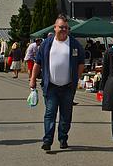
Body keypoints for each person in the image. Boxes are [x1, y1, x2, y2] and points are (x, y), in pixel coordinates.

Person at [30, 15, 85, 151]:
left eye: (66, 28)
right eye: (61, 27)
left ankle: (63, 138)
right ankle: (47, 141)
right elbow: (38, 63)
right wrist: (32, 79)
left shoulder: (74, 44)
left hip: (67, 87)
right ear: (55, 28)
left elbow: (81, 64)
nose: (64, 30)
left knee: (66, 115)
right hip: (51, 86)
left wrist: (76, 79)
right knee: (50, 113)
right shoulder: (46, 44)